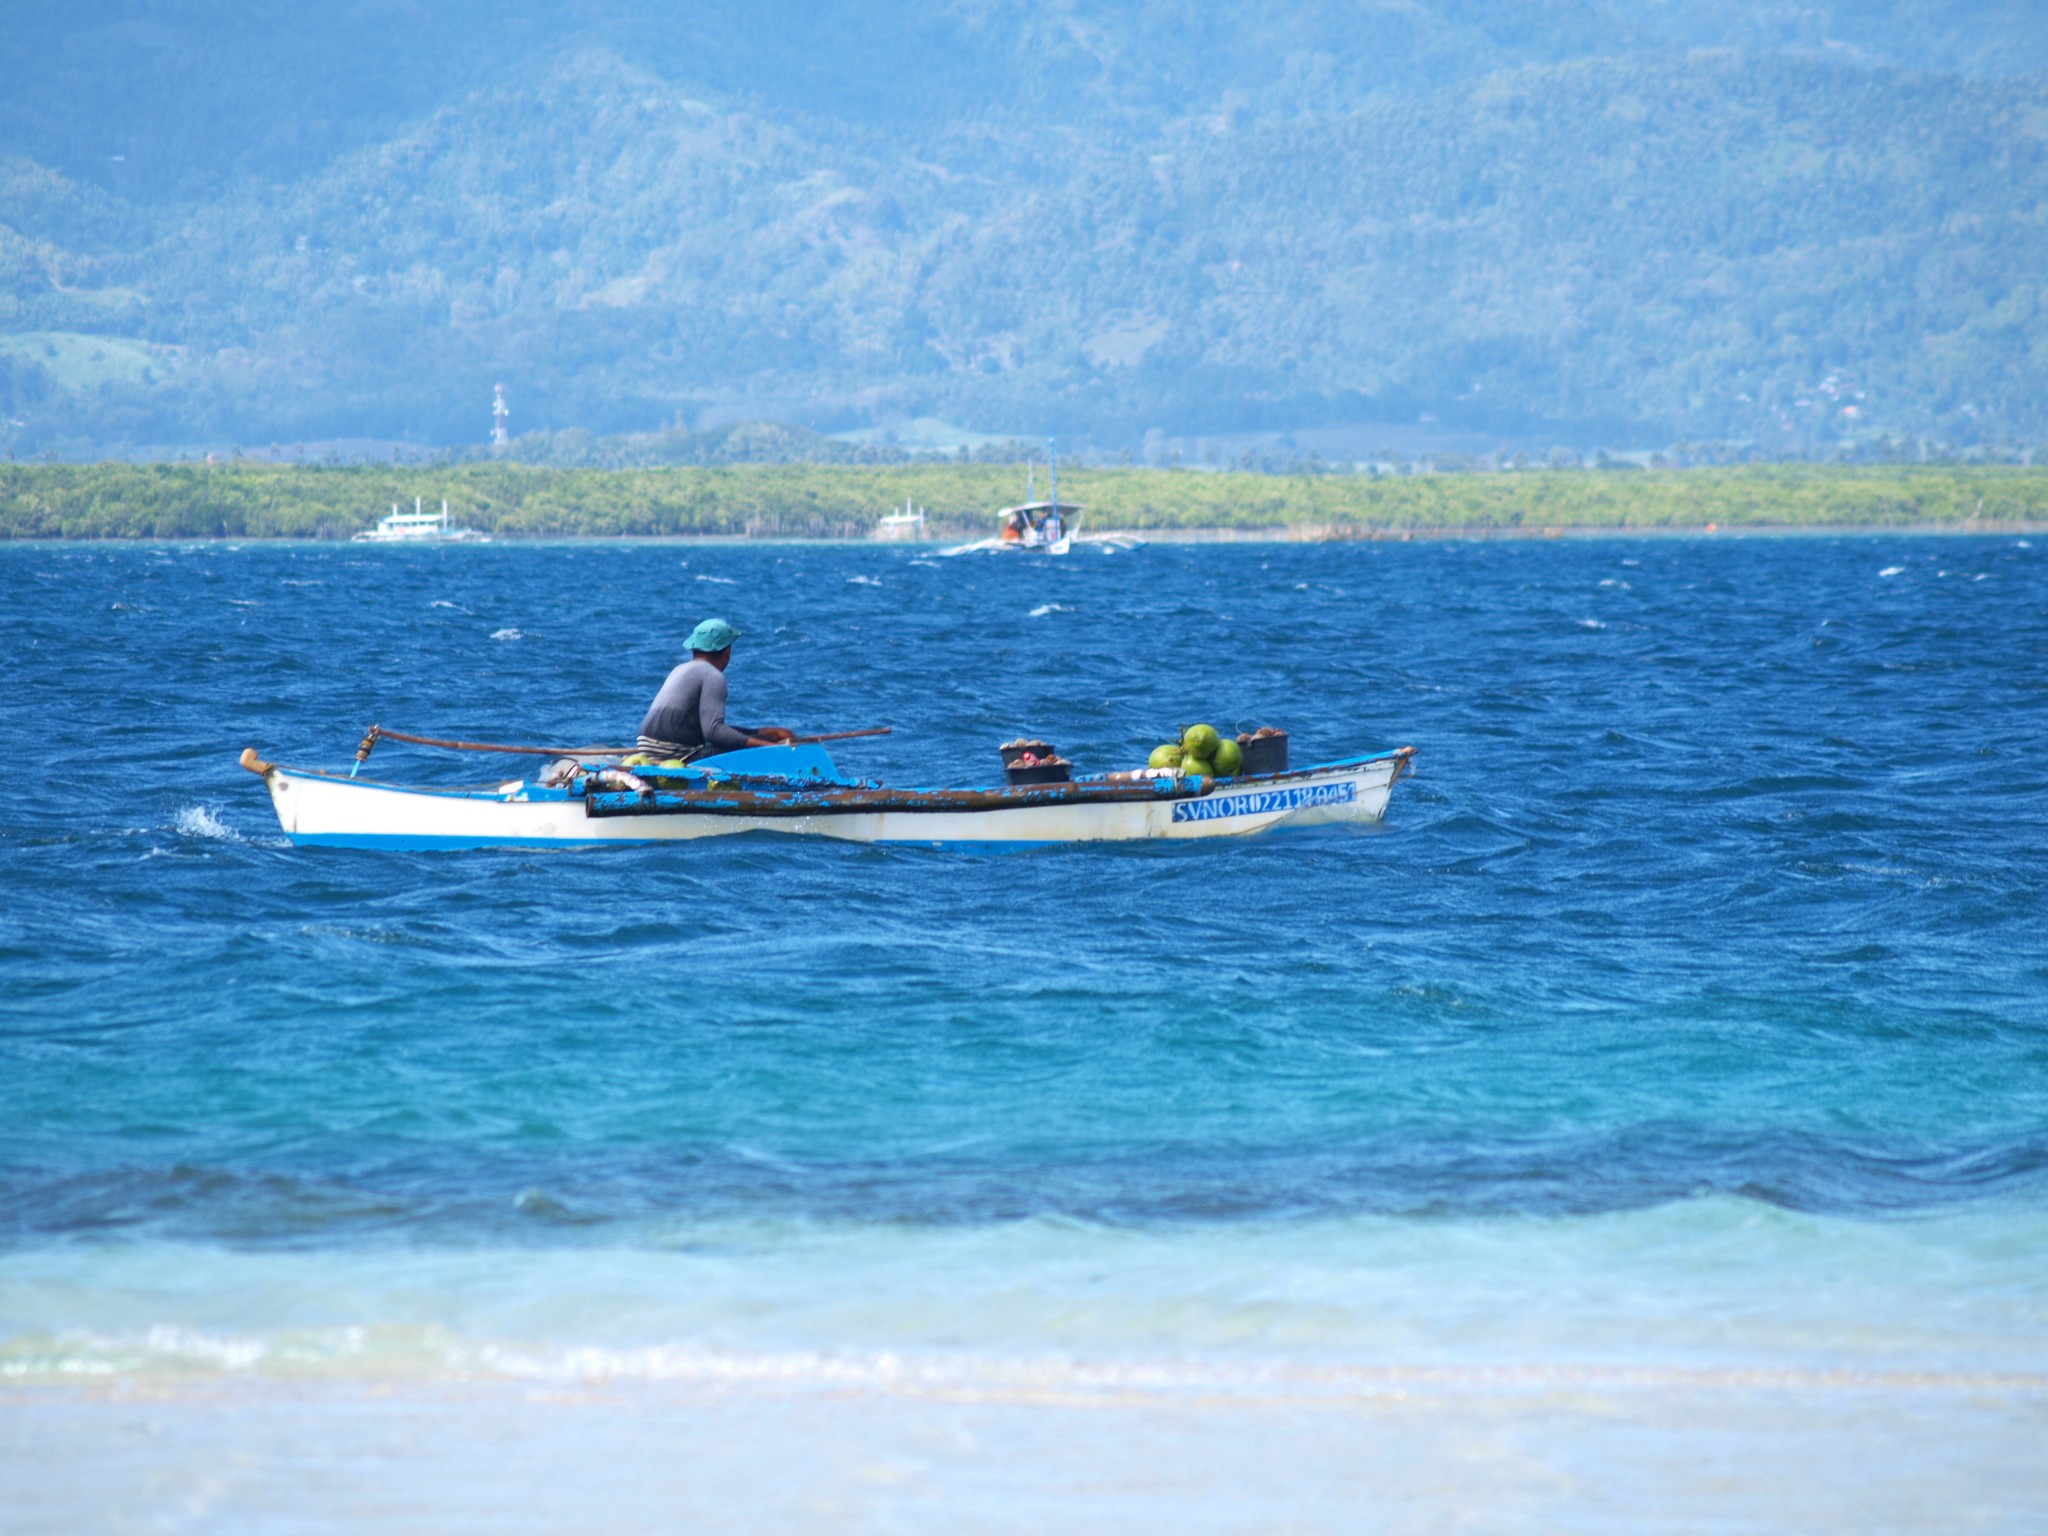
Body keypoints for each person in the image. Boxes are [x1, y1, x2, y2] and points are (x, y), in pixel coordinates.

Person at [633, 618, 794, 761]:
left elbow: (704, 729)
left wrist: (761, 732)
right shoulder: (712, 675)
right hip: (677, 754)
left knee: (764, 737)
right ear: (727, 651)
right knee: (761, 747)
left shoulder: (680, 669)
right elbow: (713, 732)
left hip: (646, 749)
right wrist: (767, 745)